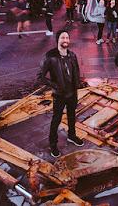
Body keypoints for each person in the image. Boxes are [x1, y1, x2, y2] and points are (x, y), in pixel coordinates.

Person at [38, 29, 84, 158]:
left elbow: (76, 71)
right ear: (57, 40)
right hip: (59, 95)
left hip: (72, 93)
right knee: (56, 119)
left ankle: (71, 135)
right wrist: (55, 85)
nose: (65, 40)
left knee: (71, 115)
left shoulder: (72, 55)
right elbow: (40, 77)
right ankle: (53, 144)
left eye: (67, 38)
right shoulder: (50, 56)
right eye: (63, 38)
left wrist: (77, 84)